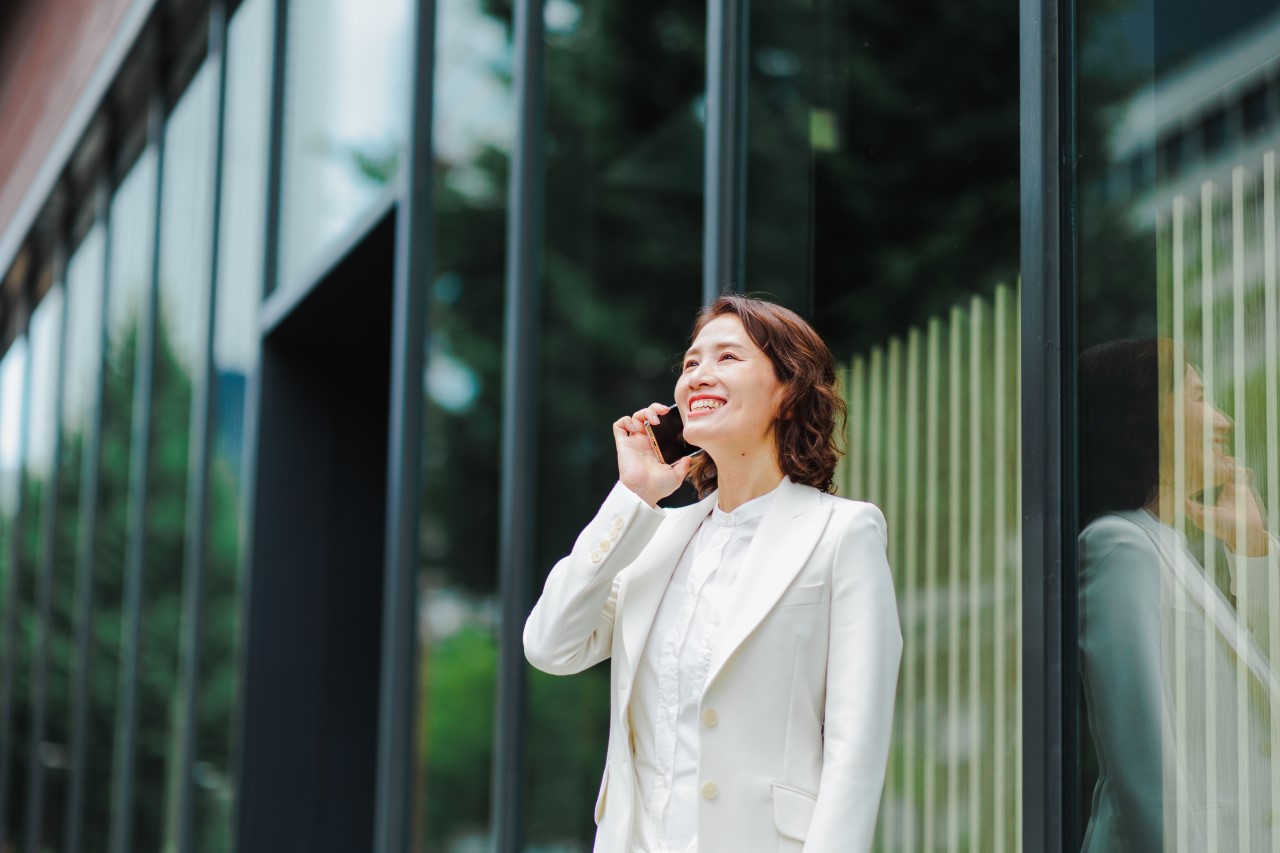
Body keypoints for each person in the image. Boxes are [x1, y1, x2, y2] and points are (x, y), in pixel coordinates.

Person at [524, 295, 902, 853]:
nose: (698, 375)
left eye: (728, 357)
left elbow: (856, 746)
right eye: (691, 363)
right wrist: (632, 499)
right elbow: (550, 645)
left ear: (789, 395)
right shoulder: (654, 538)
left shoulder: (843, 533)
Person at [1078, 338, 1279, 852]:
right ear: (1146, 417)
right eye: (1199, 397)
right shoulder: (1119, 544)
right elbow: (1143, 760)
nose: (1223, 421)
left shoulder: (1169, 549)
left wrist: (1253, 549)